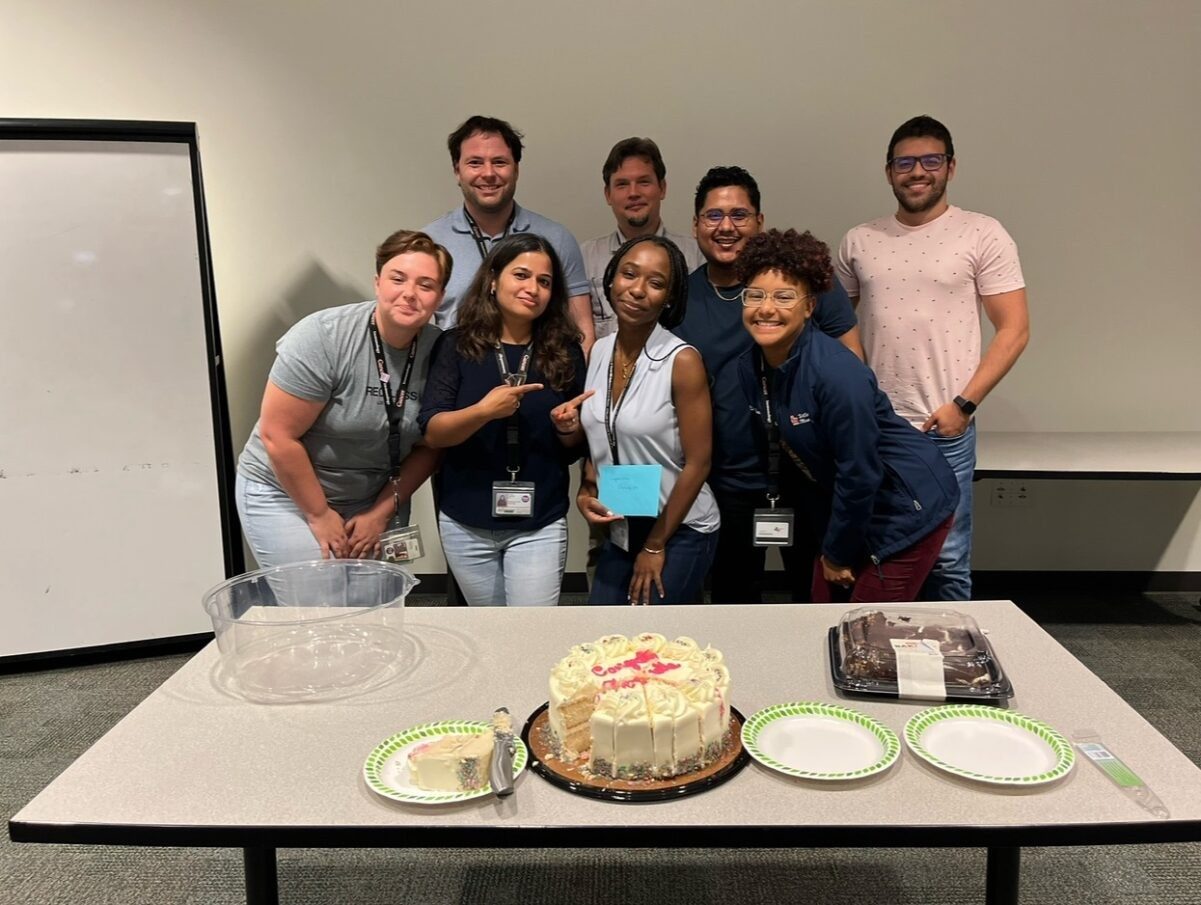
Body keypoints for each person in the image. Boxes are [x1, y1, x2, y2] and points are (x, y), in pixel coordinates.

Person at [836, 115, 1030, 600]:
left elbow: (1015, 329)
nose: (917, 171)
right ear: (889, 171)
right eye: (905, 162)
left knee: (947, 556)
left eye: (930, 161)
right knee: (874, 548)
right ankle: (878, 656)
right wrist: (860, 389)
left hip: (944, 425)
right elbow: (835, 324)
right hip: (877, 427)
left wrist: (963, 406)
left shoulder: (982, 234)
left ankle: (950, 665)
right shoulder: (859, 241)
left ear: (950, 167)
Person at [735, 228, 959, 603]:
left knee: (866, 629)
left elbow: (860, 472)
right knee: (823, 612)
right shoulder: (752, 366)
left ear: (809, 307)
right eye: (755, 295)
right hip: (853, 505)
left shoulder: (837, 375)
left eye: (783, 297)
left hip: (907, 505)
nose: (766, 308)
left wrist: (837, 553)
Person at [674, 165, 861, 604]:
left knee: (815, 596)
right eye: (712, 216)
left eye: (739, 215)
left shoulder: (806, 284)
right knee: (732, 599)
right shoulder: (680, 297)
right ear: (696, 225)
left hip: (807, 472)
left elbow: (852, 365)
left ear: (759, 221)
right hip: (727, 477)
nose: (725, 227)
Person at [235, 229, 449, 567]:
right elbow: (278, 435)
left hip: (375, 497)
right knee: (322, 603)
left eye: (426, 285)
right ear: (378, 282)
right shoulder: (324, 337)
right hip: (288, 493)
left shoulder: (443, 352)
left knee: (376, 607)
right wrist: (319, 515)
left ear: (440, 297)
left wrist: (379, 514)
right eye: (398, 279)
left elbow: (430, 446)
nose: (410, 294)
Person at [418, 234, 587, 607]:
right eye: (521, 275)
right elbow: (432, 433)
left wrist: (568, 430)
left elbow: (575, 450)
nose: (533, 289)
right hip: (466, 521)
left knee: (531, 632)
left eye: (544, 282)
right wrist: (483, 412)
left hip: (539, 522)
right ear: (493, 279)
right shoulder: (456, 345)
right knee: (490, 632)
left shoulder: (564, 351)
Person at [577, 235, 719, 605]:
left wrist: (655, 545)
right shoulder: (599, 351)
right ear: (611, 279)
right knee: (603, 630)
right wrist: (585, 489)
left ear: (669, 297)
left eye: (656, 283)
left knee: (656, 644)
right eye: (629, 274)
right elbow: (602, 433)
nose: (637, 290)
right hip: (623, 523)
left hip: (680, 526)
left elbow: (699, 462)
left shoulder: (682, 360)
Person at [422, 114, 595, 354]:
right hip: (460, 382)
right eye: (475, 163)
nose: (489, 173)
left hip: (541, 380)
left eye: (500, 162)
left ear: (516, 169)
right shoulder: (431, 242)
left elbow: (582, 329)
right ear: (457, 171)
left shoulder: (557, 239)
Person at [580, 137, 703, 341]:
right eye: (622, 184)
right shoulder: (585, 258)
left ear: (662, 188)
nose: (634, 193)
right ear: (608, 194)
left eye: (644, 182)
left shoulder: (696, 256)